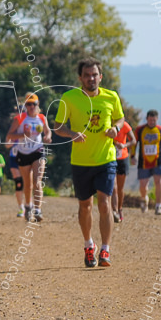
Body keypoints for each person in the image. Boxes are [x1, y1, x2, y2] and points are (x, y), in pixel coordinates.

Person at [53, 58, 125, 268]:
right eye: (87, 75)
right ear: (80, 78)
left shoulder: (111, 97)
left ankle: (105, 250)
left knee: (104, 203)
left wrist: (116, 129)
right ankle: (88, 245)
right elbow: (57, 126)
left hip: (106, 159)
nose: (91, 78)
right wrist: (72, 133)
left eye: (94, 75)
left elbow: (120, 119)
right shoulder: (69, 98)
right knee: (85, 206)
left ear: (100, 77)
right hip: (81, 161)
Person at [6, 92, 52, 223]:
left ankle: (37, 209)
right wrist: (22, 135)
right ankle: (27, 206)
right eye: (28, 104)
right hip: (23, 153)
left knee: (37, 181)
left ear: (38, 104)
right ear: (25, 105)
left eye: (33, 104)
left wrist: (47, 137)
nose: (31, 106)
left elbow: (47, 131)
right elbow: (9, 136)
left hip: (38, 151)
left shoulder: (42, 118)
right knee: (28, 184)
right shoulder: (19, 118)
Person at [131, 110, 161, 215]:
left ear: (157, 119)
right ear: (146, 119)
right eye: (150, 120)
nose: (152, 122)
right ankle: (144, 199)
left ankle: (158, 207)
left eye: (154, 120)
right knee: (143, 185)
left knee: (159, 182)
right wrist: (132, 156)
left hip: (158, 161)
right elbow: (134, 143)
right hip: (144, 162)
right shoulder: (140, 130)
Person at [112, 120, 136, 222]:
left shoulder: (125, 125)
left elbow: (133, 140)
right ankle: (114, 211)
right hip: (110, 158)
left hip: (123, 158)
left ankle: (120, 209)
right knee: (114, 187)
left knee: (120, 188)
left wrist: (124, 145)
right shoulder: (107, 123)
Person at [8, 145, 24, 216]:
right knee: (19, 182)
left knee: (27, 183)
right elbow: (7, 145)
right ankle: (21, 208)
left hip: (26, 155)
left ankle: (29, 205)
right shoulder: (13, 133)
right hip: (14, 157)